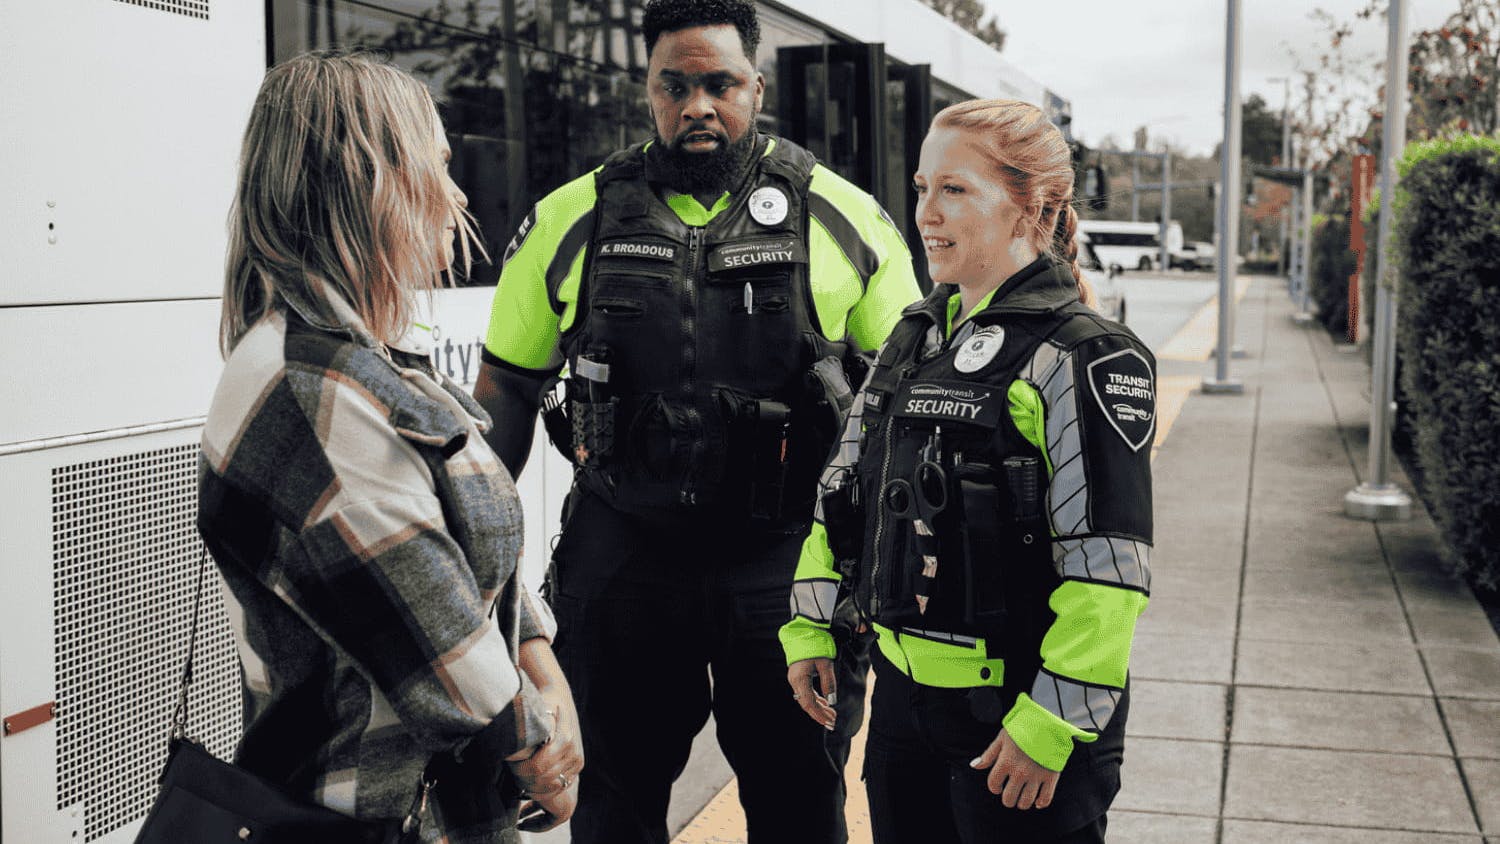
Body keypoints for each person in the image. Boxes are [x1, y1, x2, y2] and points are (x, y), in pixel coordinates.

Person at [471, 0, 921, 839]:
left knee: (798, 803)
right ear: (648, 92)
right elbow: (504, 393)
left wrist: (873, 572)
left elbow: (908, 406)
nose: (697, 107)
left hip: (788, 566)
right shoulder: (574, 219)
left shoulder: (845, 220)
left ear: (757, 85)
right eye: (673, 87)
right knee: (611, 804)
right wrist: (484, 578)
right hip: (624, 560)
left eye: (719, 84)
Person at [198, 52, 583, 843]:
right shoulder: (310, 394)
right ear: (367, 180)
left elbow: (462, 557)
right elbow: (446, 656)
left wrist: (539, 656)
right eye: (438, 165)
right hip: (383, 819)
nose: (457, 195)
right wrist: (546, 752)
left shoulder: (351, 360)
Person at [782, 98, 1154, 844]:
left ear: (1033, 207)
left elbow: (1110, 572)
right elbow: (844, 490)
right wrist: (811, 629)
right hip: (904, 714)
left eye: (954, 190)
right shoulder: (914, 336)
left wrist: (1050, 724)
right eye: (921, 188)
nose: (926, 212)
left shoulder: (1086, 353)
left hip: (1020, 724)